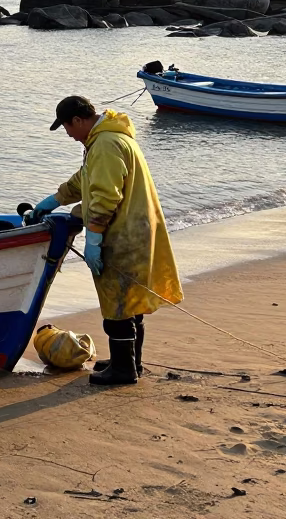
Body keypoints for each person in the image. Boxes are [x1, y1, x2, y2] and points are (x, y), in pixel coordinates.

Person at [27, 95, 182, 386]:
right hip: (135, 229)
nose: (69, 136)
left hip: (123, 234)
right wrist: (55, 199)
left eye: (67, 128)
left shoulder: (106, 145)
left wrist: (94, 239)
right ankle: (130, 361)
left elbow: (105, 197)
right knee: (130, 301)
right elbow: (86, 179)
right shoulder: (107, 138)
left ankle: (124, 371)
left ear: (78, 120)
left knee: (118, 305)